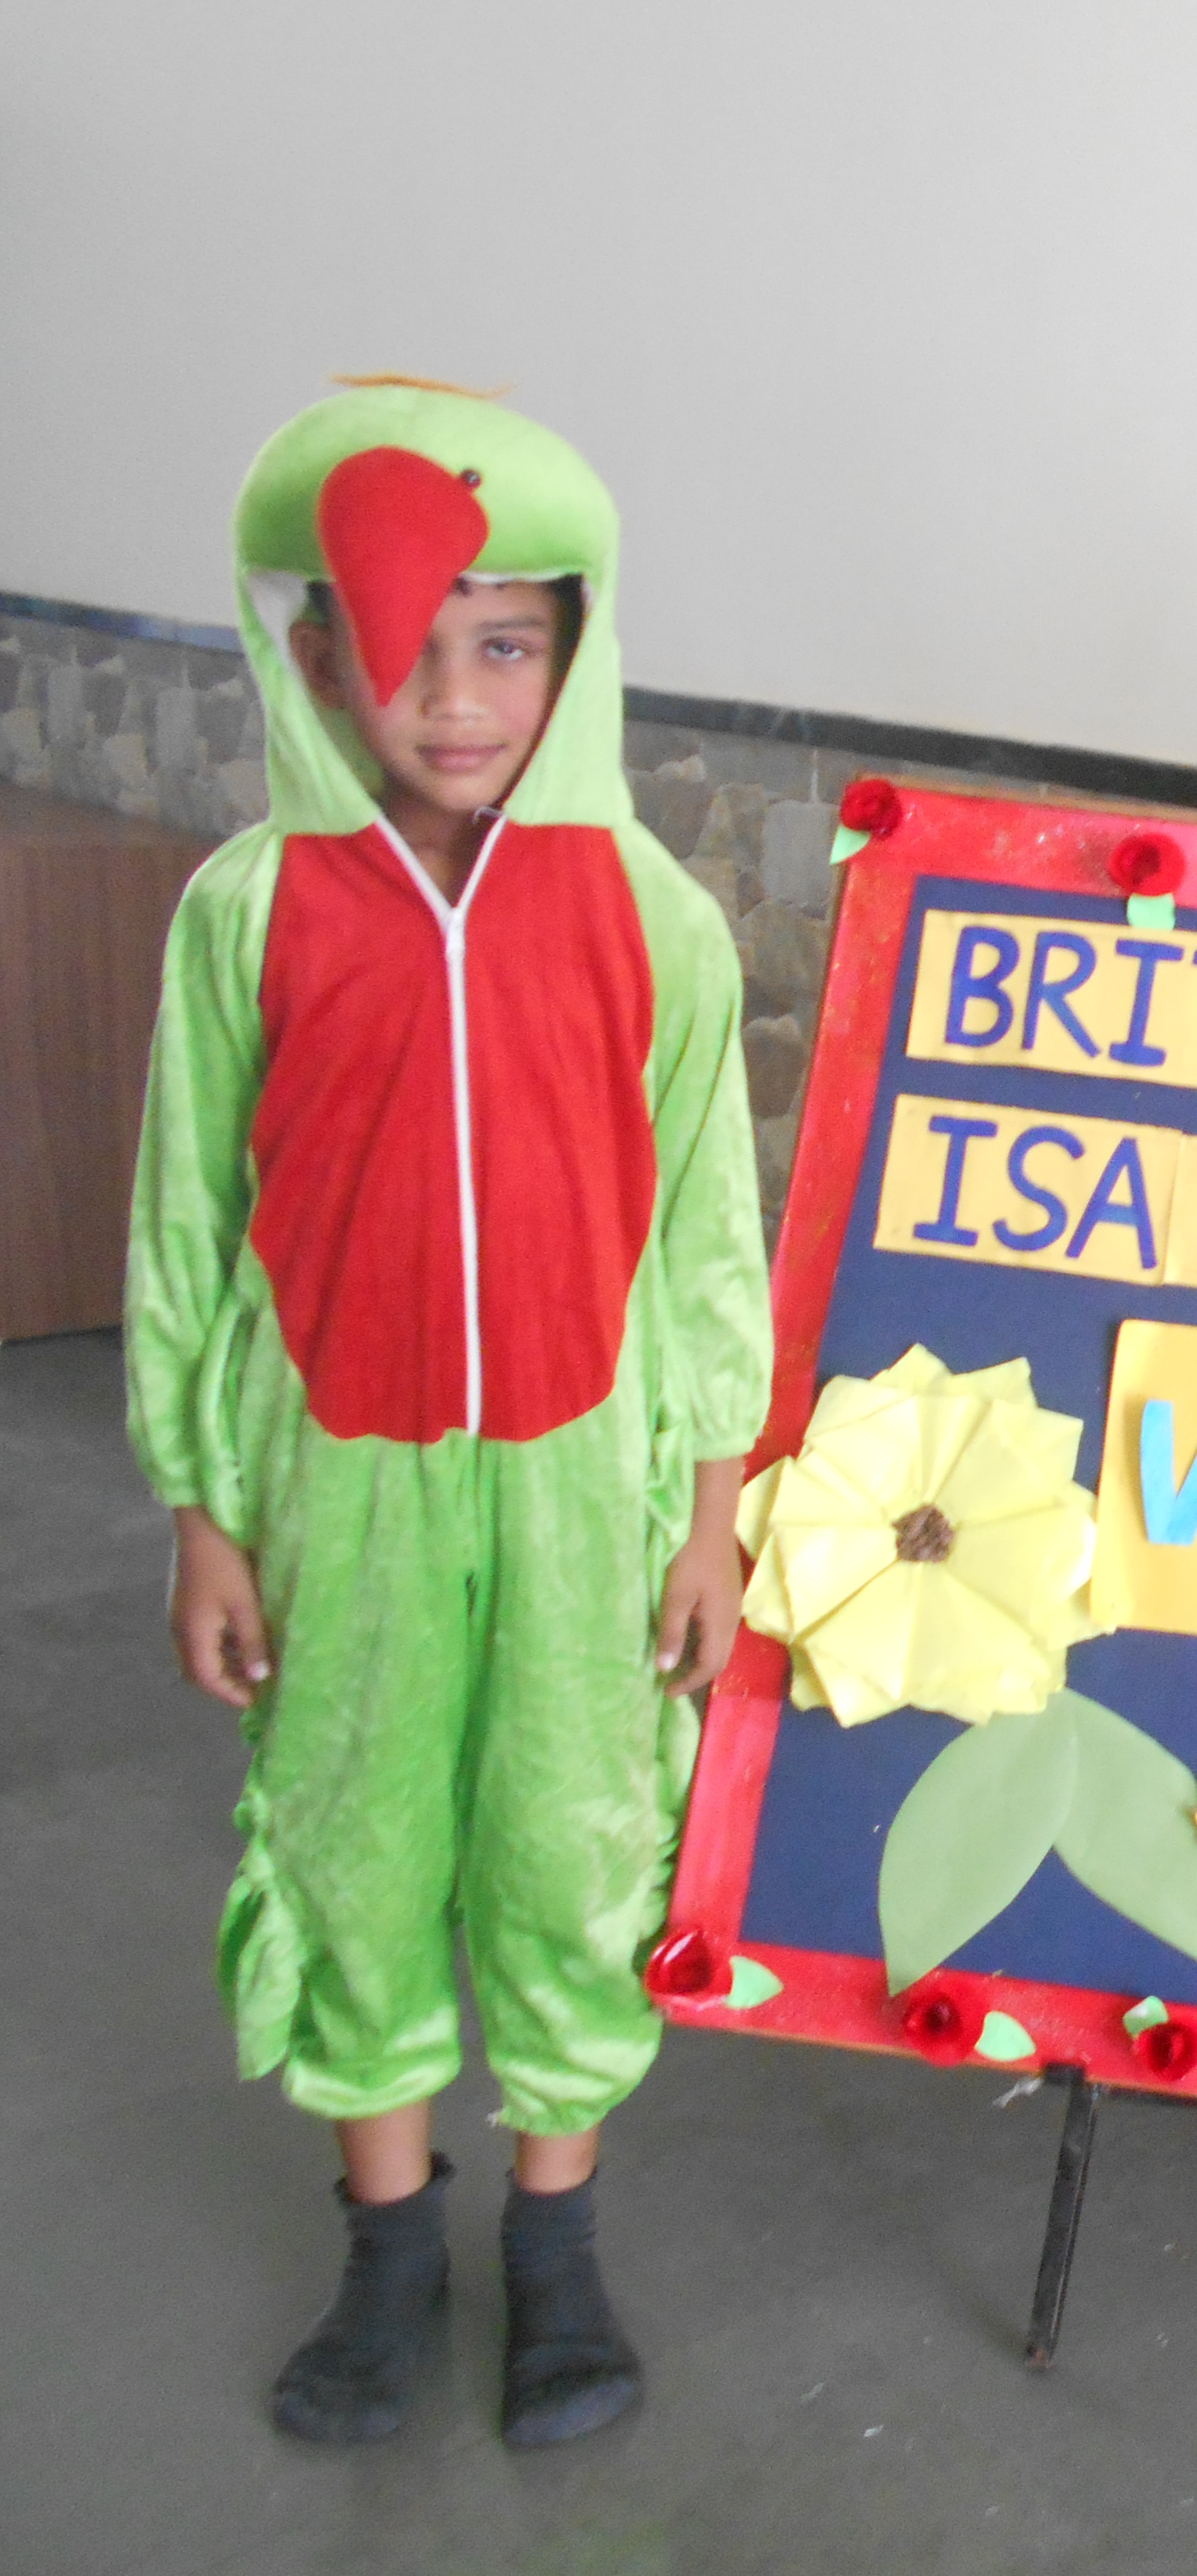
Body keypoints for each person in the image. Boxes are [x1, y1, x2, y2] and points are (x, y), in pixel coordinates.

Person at [125, 381, 772, 2448]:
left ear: (573, 656)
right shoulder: (247, 914)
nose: (455, 697)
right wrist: (203, 1511)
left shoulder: (654, 919)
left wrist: (710, 1506)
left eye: (505, 644)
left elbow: (707, 1235)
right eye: (406, 646)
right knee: (357, 1835)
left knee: (575, 1841)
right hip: (335, 1484)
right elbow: (187, 1226)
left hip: (589, 1483)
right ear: (316, 657)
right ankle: (390, 2241)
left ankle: (556, 2241)